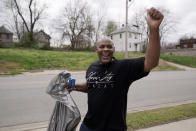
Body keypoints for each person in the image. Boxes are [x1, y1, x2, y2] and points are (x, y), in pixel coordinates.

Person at [67, 7, 164, 131]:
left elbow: (151, 62)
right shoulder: (92, 67)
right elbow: (92, 86)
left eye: (109, 46)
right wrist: (73, 85)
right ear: (96, 49)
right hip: (88, 126)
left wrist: (154, 29)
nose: (106, 49)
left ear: (114, 49)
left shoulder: (123, 67)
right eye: (102, 46)